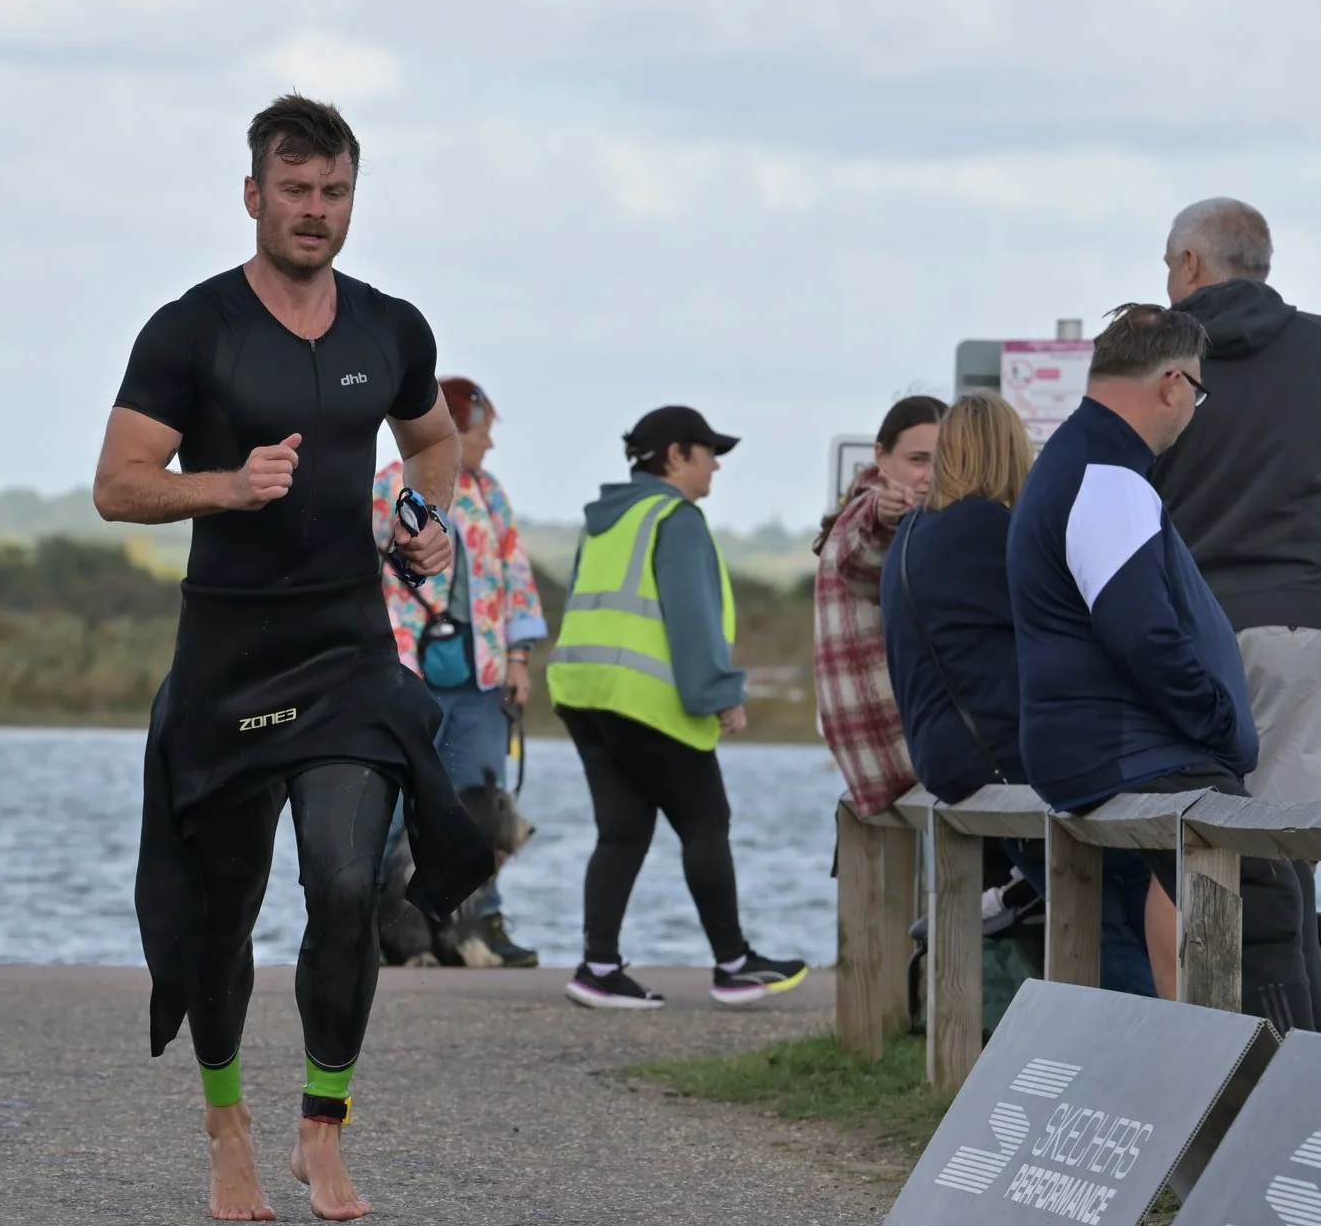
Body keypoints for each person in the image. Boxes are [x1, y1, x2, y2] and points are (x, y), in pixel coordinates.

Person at [98, 92, 485, 1226]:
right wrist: (227, 484)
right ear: (253, 195)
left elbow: (432, 438)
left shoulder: (389, 328)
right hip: (228, 657)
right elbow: (118, 484)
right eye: (295, 189)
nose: (315, 209)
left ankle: (325, 1122)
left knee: (349, 884)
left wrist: (424, 514)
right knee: (222, 915)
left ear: (352, 198)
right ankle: (227, 1123)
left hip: (346, 651)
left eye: (334, 191)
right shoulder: (192, 329)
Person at [1008, 302, 1313, 1031]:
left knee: (1280, 888)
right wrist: (1216, 722)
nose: (1192, 411)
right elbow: (1143, 636)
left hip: (1100, 748)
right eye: (1198, 392)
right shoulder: (1108, 479)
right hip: (1130, 751)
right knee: (1265, 899)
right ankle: (1283, 1090)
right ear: (1173, 384)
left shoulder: (1075, 462)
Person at [882, 392, 1158, 999]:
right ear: (1011, 451)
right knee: (1124, 896)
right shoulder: (991, 530)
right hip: (1006, 759)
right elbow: (1082, 630)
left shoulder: (910, 535)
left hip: (948, 759)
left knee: (1094, 901)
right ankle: (1151, 1040)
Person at [545, 406, 808, 1011]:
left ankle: (598, 966)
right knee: (706, 821)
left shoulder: (602, 521)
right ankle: (734, 965)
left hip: (581, 694)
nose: (716, 465)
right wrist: (720, 695)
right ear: (675, 456)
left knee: (622, 829)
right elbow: (693, 621)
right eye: (708, 452)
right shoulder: (677, 518)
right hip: (645, 699)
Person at [1152, 197, 1321, 998]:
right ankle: (1298, 1044)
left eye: (1167, 264)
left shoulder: (1158, 367)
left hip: (1194, 637)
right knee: (1291, 854)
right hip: (1307, 632)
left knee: (1203, 855)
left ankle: (1233, 1045)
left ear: (1191, 263)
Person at [370, 376, 546, 966]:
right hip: (406, 671)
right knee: (393, 804)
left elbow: (515, 574)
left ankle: (475, 926)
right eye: (483, 432)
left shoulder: (490, 494)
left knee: (482, 812)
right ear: (448, 428)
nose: (489, 444)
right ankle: (376, 924)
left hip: (483, 675)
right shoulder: (387, 487)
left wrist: (518, 658)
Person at [812, 395, 945, 822]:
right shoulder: (872, 511)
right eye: (917, 459)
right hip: (897, 752)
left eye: (944, 458)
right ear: (881, 457)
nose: (930, 474)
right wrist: (884, 517)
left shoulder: (862, 510)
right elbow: (863, 556)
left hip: (884, 757)